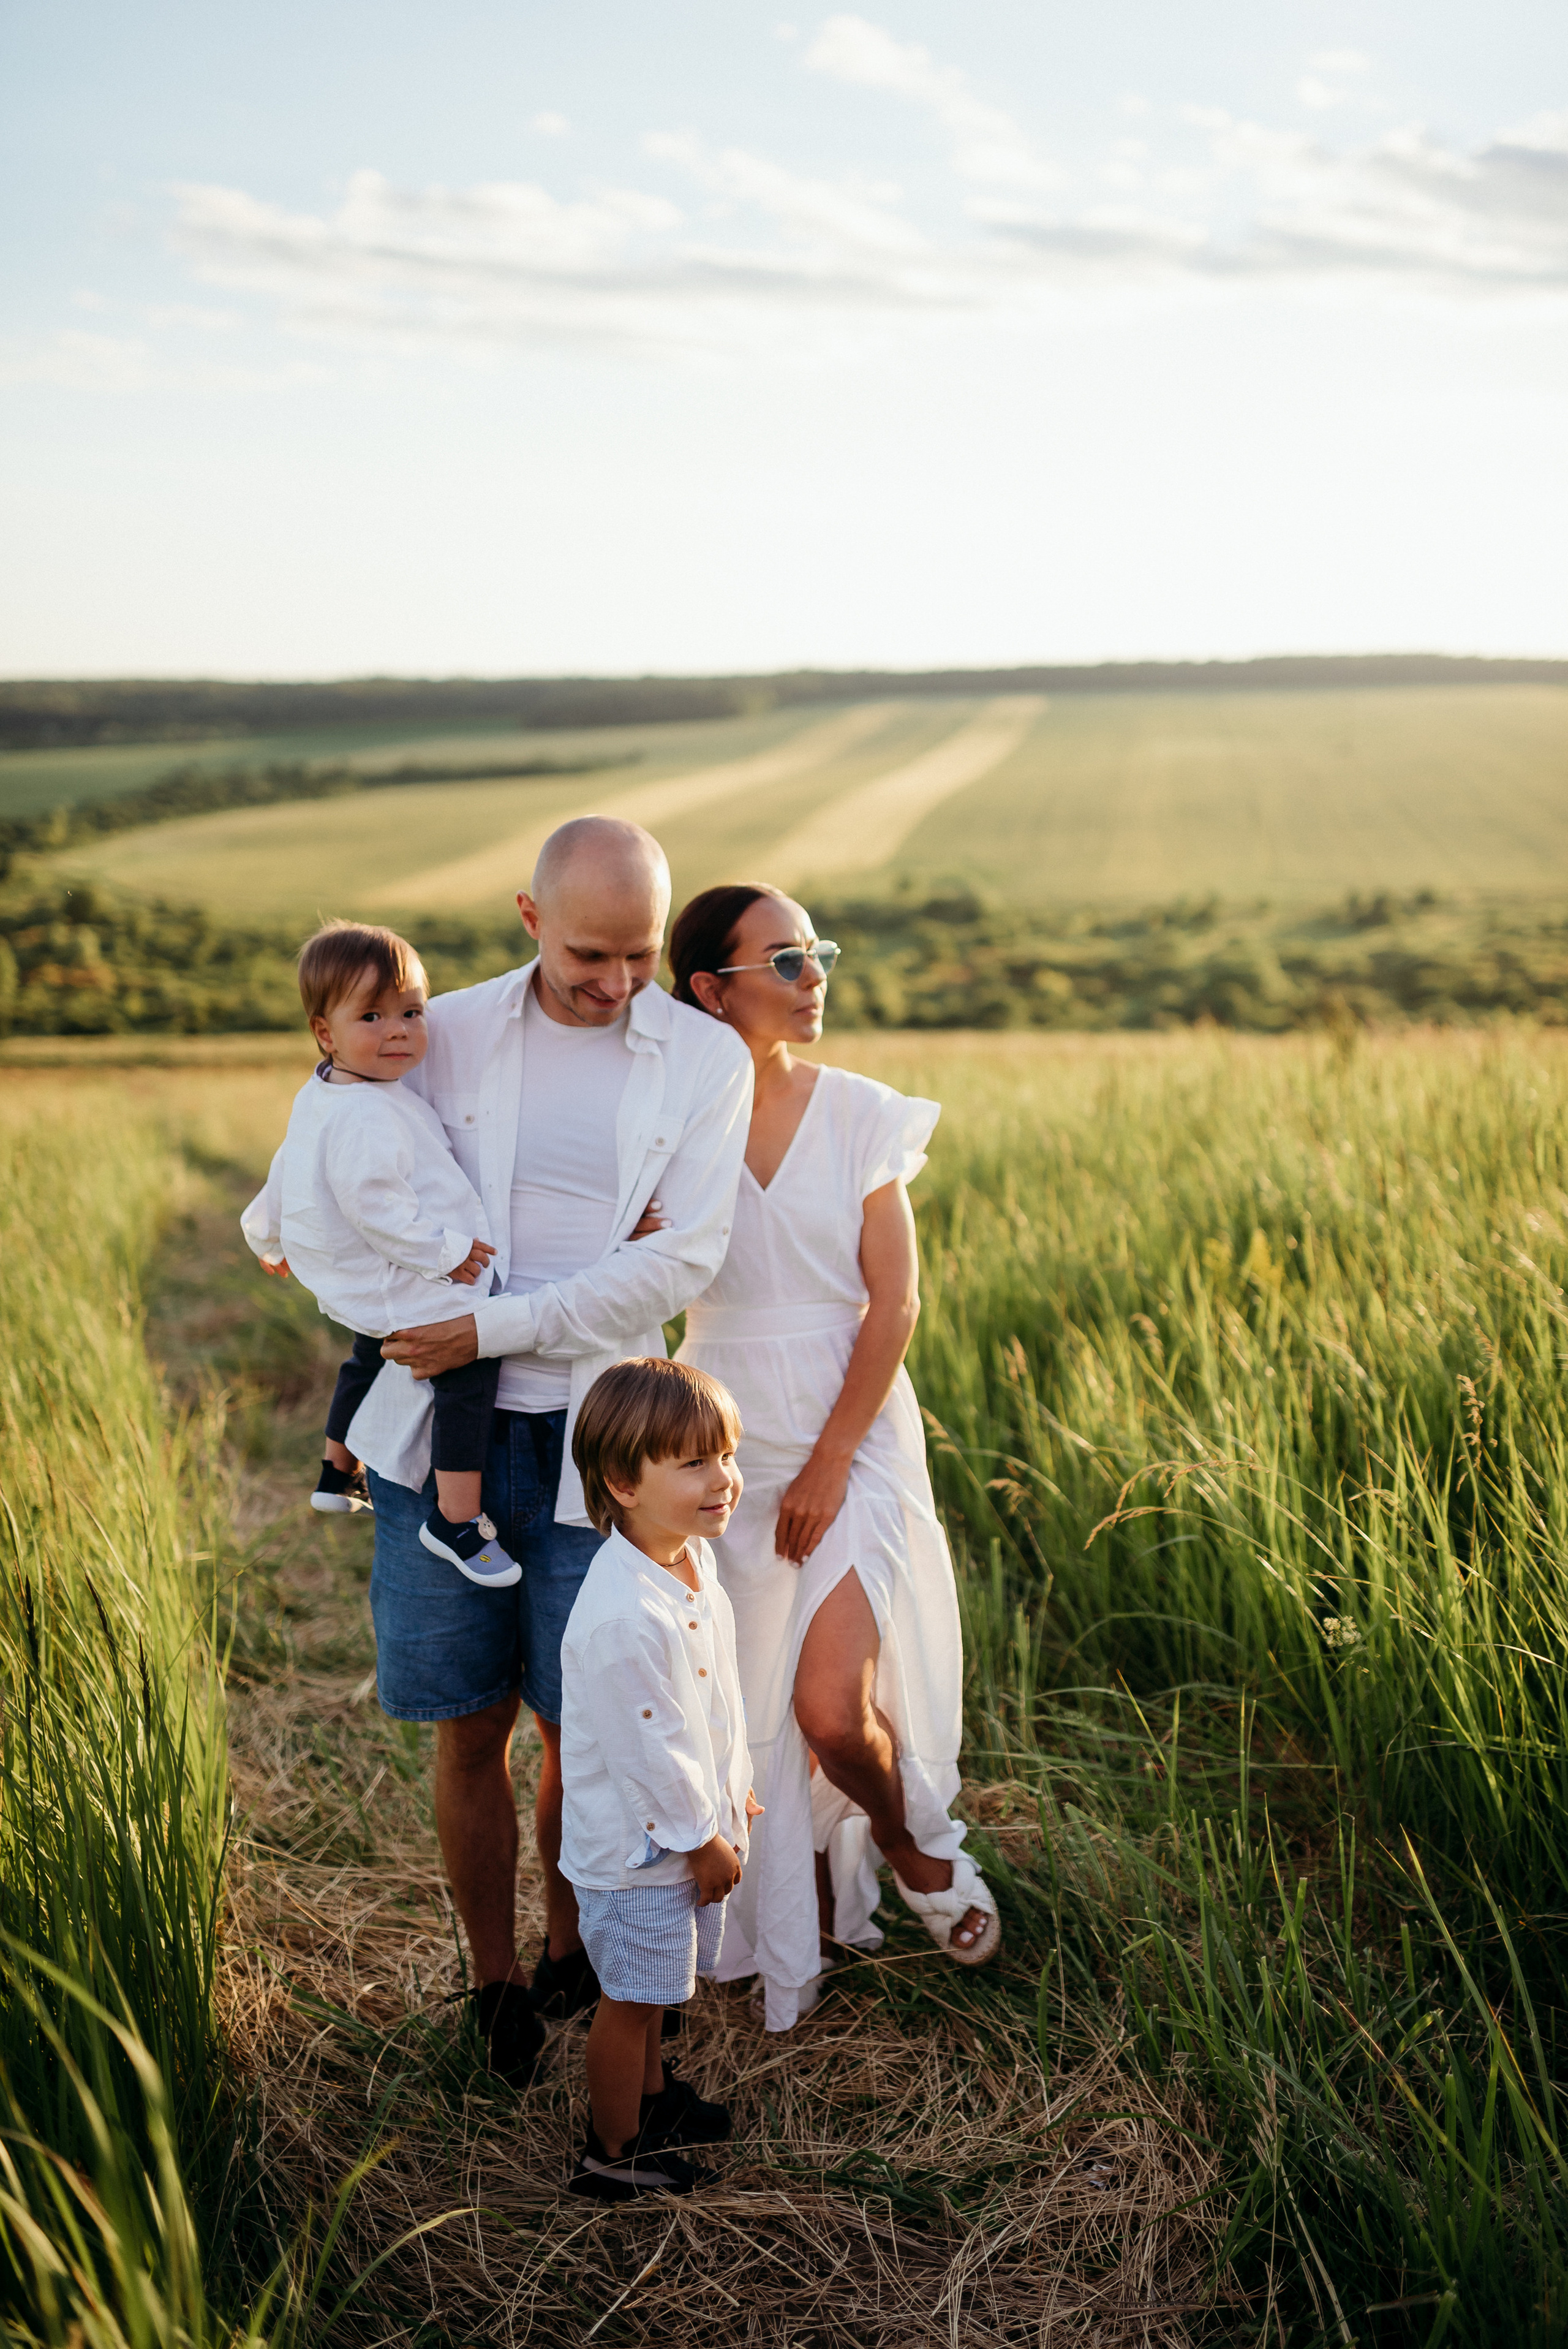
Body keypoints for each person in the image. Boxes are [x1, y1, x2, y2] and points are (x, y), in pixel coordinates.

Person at [330, 820, 753, 2084]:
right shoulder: (442, 1031)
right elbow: (336, 1158)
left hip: (603, 1444)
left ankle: (576, 1947)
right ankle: (494, 1978)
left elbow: (679, 1262)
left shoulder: (704, 1059)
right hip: (434, 1438)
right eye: (587, 955)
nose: (616, 982)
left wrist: (493, 1323)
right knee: (470, 1726)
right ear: (529, 917)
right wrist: (356, 1286)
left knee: (591, 1726)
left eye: (639, 955)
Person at [670, 883, 999, 2034]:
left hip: (851, 1427)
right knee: (756, 1696)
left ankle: (914, 1846)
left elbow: (894, 1302)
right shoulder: (667, 1125)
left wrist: (828, 1463)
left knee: (827, 1703)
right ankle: (795, 1918)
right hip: (721, 1431)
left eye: (818, 954)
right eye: (786, 959)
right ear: (711, 988)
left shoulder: (861, 1110)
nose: (815, 976)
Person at [240, 920, 519, 1587]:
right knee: (468, 1369)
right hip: (404, 1275)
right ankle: (456, 1518)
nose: (398, 1031)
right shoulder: (368, 1114)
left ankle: (337, 1471)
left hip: (366, 1284)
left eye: (411, 1013)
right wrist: (445, 1254)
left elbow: (289, 1166)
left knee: (368, 1356)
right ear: (325, 1032)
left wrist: (266, 1233)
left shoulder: (323, 1094)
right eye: (372, 1016)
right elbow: (378, 1208)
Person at [560, 1357, 757, 2200]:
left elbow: (706, 1706)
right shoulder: (622, 1616)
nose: (723, 1479)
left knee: (654, 1990)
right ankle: (612, 2152)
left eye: (727, 1455)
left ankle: (651, 2100)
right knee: (631, 2000)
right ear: (623, 1483)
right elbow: (649, 1750)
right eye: (694, 1462)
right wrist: (702, 1837)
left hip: (678, 1831)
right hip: (638, 1852)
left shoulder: (687, 1562)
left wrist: (732, 1787)